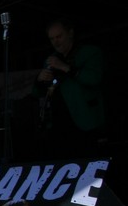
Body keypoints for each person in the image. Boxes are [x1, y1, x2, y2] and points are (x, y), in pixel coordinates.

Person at [31, 18, 106, 159]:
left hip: (84, 121)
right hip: (58, 124)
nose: (56, 42)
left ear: (70, 33)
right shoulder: (51, 59)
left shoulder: (89, 52)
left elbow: (93, 79)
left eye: (59, 36)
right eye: (52, 39)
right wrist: (40, 79)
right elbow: (36, 93)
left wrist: (65, 67)